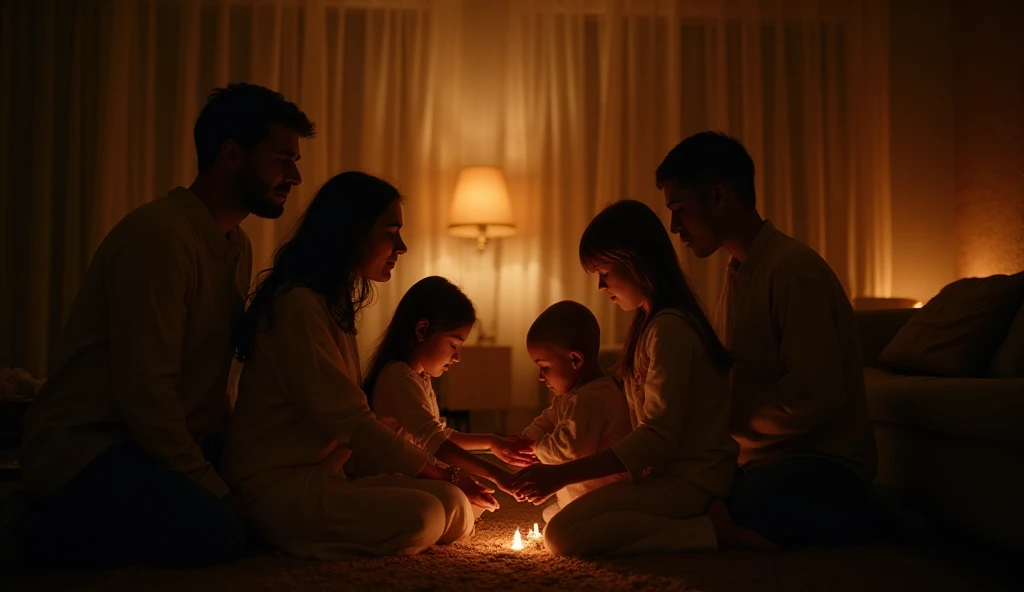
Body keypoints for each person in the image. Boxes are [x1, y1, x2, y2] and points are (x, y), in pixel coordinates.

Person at [10, 83, 314, 568]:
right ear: (231, 155)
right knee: (222, 531)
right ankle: (31, 529)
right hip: (97, 446)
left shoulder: (236, 246)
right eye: (281, 158)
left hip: (165, 440)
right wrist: (214, 488)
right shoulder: (161, 238)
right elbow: (146, 392)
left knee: (277, 500)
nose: (295, 175)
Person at [221, 172, 488, 561]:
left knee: (455, 503)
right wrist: (447, 471)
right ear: (354, 231)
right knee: (426, 513)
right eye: (391, 231)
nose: (402, 246)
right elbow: (353, 422)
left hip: (326, 479)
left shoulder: (334, 305)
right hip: (278, 484)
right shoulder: (297, 306)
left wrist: (450, 479)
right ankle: (275, 534)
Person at [656, 131, 881, 546]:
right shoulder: (740, 272)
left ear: (719, 196)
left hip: (821, 464)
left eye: (679, 210)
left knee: (732, 504)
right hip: (762, 460)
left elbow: (812, 398)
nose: (674, 227)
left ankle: (876, 518)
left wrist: (724, 427)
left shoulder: (793, 271)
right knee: (681, 491)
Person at [512, 200, 773, 556]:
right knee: (561, 516)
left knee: (562, 536)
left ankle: (705, 531)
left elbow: (657, 439)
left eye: (604, 272)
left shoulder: (670, 330)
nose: (602, 286)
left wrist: (561, 474)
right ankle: (697, 522)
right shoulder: (649, 326)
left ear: (634, 261)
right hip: (665, 480)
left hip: (689, 482)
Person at [363, 275, 533, 517]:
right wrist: (496, 473)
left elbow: (439, 433)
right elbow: (436, 443)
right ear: (422, 330)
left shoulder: (420, 376)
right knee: (449, 501)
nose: (457, 358)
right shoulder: (398, 377)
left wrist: (492, 442)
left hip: (413, 477)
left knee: (468, 501)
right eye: (454, 346)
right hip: (389, 480)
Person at [519, 300, 631, 524]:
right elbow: (548, 419)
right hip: (583, 496)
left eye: (545, 366)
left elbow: (569, 449)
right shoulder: (572, 396)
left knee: (558, 532)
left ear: (575, 360)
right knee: (550, 514)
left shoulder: (590, 399)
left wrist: (535, 448)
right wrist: (525, 439)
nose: (541, 377)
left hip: (604, 499)